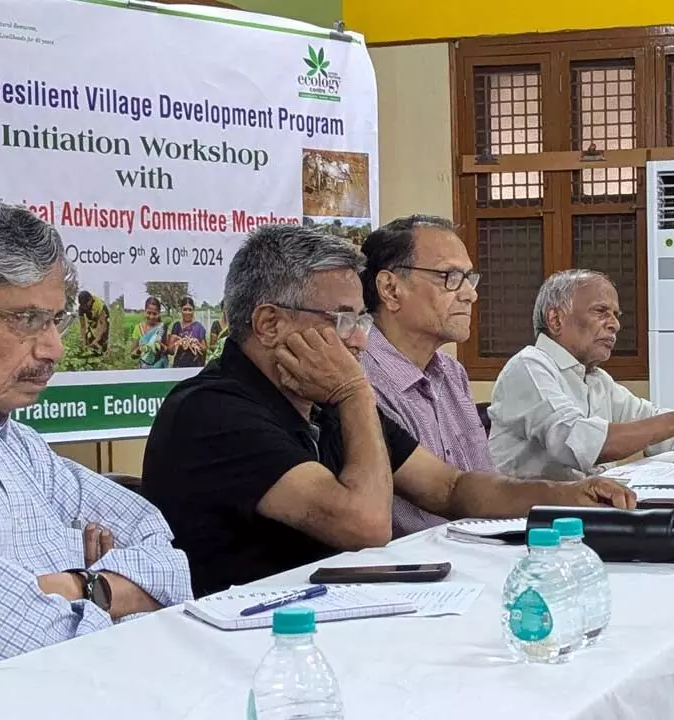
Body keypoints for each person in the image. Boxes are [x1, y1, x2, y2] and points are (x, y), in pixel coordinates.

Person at [141, 225, 635, 597]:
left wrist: (565, 494)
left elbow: (449, 486)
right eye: (343, 319)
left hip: (337, 617)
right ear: (268, 323)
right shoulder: (213, 411)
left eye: (360, 317)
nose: (360, 337)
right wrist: (356, 392)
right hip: (248, 648)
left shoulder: (320, 400)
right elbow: (365, 526)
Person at [0, 192, 191, 697]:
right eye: (25, 321)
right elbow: (36, 644)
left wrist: (76, 587)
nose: (54, 348)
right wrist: (96, 584)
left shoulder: (12, 440)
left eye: (56, 320)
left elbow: (169, 559)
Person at [489, 269, 674, 481]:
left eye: (616, 315)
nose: (614, 325)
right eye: (601, 311)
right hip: (529, 523)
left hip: (584, 509)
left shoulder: (596, 379)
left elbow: (666, 436)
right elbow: (578, 443)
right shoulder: (529, 366)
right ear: (555, 319)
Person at [359, 215, 491, 536]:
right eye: (450, 277)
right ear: (390, 289)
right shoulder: (358, 376)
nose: (470, 295)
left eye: (469, 278)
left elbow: (482, 486)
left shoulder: (451, 372)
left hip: (478, 551)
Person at [167, 295, 207, 368]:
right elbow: (170, 351)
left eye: (190, 309)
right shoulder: (177, 326)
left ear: (193, 310)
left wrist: (197, 343)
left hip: (196, 365)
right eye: (185, 309)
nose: (187, 312)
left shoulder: (199, 327)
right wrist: (178, 343)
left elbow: (204, 349)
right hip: (179, 366)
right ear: (181, 310)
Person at [130, 296, 169, 369]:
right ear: (145, 312)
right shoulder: (138, 328)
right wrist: (140, 350)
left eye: (154, 314)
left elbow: (169, 351)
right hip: (144, 368)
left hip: (161, 368)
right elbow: (132, 355)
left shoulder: (163, 328)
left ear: (159, 313)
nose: (151, 317)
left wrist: (161, 347)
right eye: (149, 313)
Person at [77, 289, 109, 354]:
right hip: (92, 319)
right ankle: (93, 353)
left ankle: (104, 354)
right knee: (89, 339)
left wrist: (97, 340)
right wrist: (83, 341)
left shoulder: (99, 305)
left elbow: (103, 325)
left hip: (102, 317)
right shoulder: (81, 308)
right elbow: (83, 326)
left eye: (86, 305)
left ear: (90, 299)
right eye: (83, 306)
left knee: (102, 340)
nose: (85, 307)